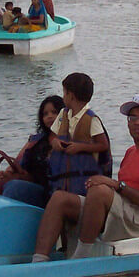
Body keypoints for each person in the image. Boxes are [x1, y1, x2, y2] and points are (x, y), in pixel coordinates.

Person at [33, 93, 139, 262]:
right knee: (60, 199)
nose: (138, 122)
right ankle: (38, 261)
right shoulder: (131, 152)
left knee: (100, 191)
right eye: (132, 118)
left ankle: (81, 258)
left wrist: (116, 185)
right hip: (122, 212)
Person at [0, 95, 66, 207]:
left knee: (14, 187)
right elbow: (17, 163)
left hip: (49, 191)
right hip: (27, 182)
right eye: (45, 114)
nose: (49, 116)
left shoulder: (69, 140)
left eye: (54, 112)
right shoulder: (35, 140)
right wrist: (3, 175)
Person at [45, 72, 112, 201]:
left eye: (64, 93)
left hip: (83, 184)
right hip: (62, 182)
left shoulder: (92, 120)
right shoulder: (63, 115)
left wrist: (80, 147)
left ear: (71, 96)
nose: (63, 97)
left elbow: (103, 145)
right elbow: (52, 135)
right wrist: (54, 142)